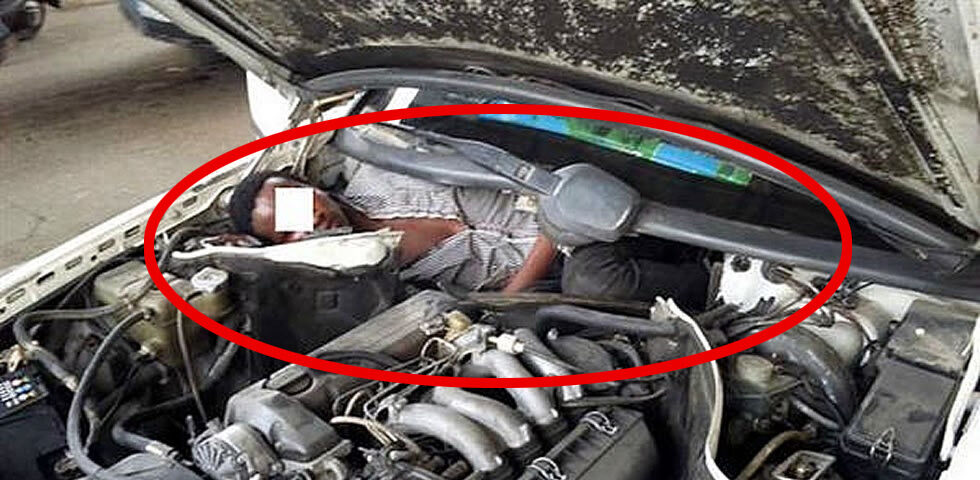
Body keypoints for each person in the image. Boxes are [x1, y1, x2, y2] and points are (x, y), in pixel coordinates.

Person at [227, 159, 708, 305]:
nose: (308, 222)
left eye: (295, 203)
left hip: (583, 202)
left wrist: (511, 296)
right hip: (576, 264)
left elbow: (532, 185)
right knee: (593, 283)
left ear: (309, 185)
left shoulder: (385, 168)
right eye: (287, 232)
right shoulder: (374, 286)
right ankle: (716, 283)